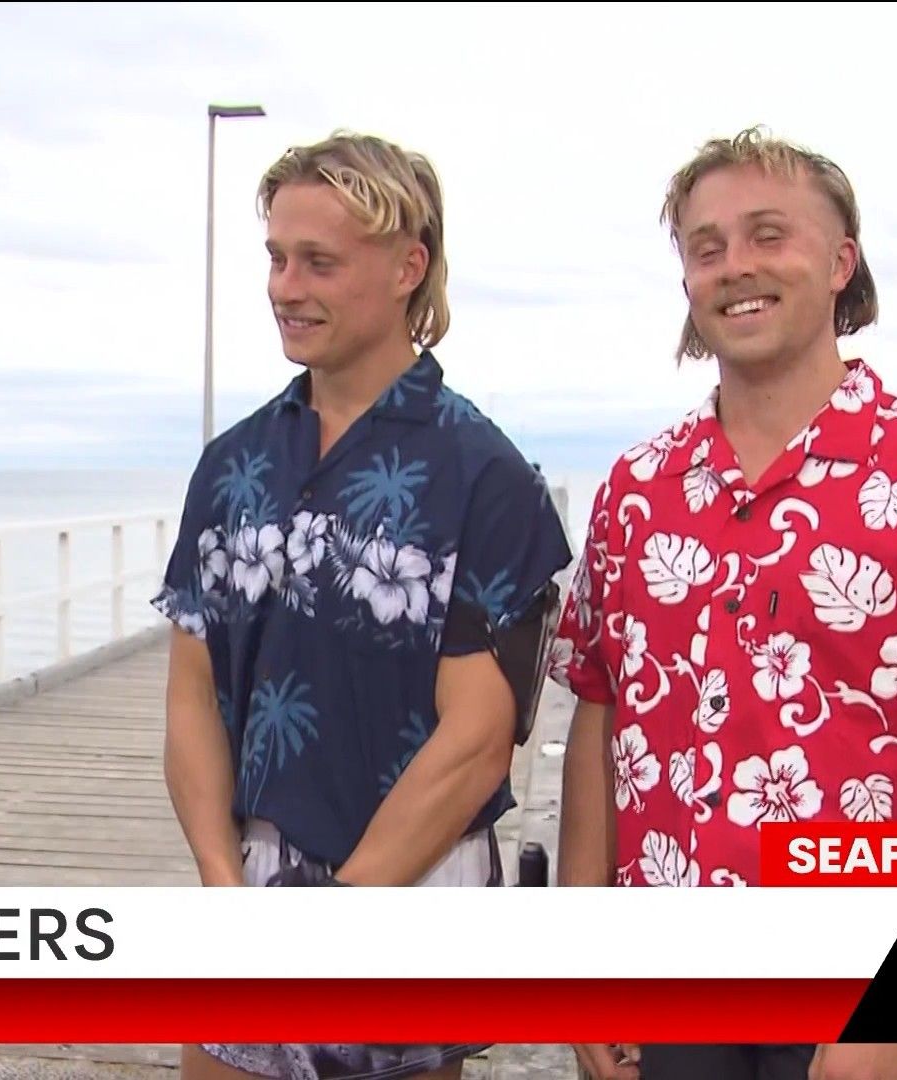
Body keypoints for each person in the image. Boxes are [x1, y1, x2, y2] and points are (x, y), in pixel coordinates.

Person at [551, 127, 897, 1080]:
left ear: (841, 263)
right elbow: (602, 714)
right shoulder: (636, 491)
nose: (735, 266)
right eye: (707, 247)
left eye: (768, 235)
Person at [153, 131, 574, 1080]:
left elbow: (478, 738)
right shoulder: (232, 466)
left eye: (320, 262)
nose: (285, 286)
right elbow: (192, 693)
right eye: (276, 257)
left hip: (411, 897)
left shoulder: (484, 475)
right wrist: (222, 885)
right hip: (252, 889)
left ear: (407, 268)